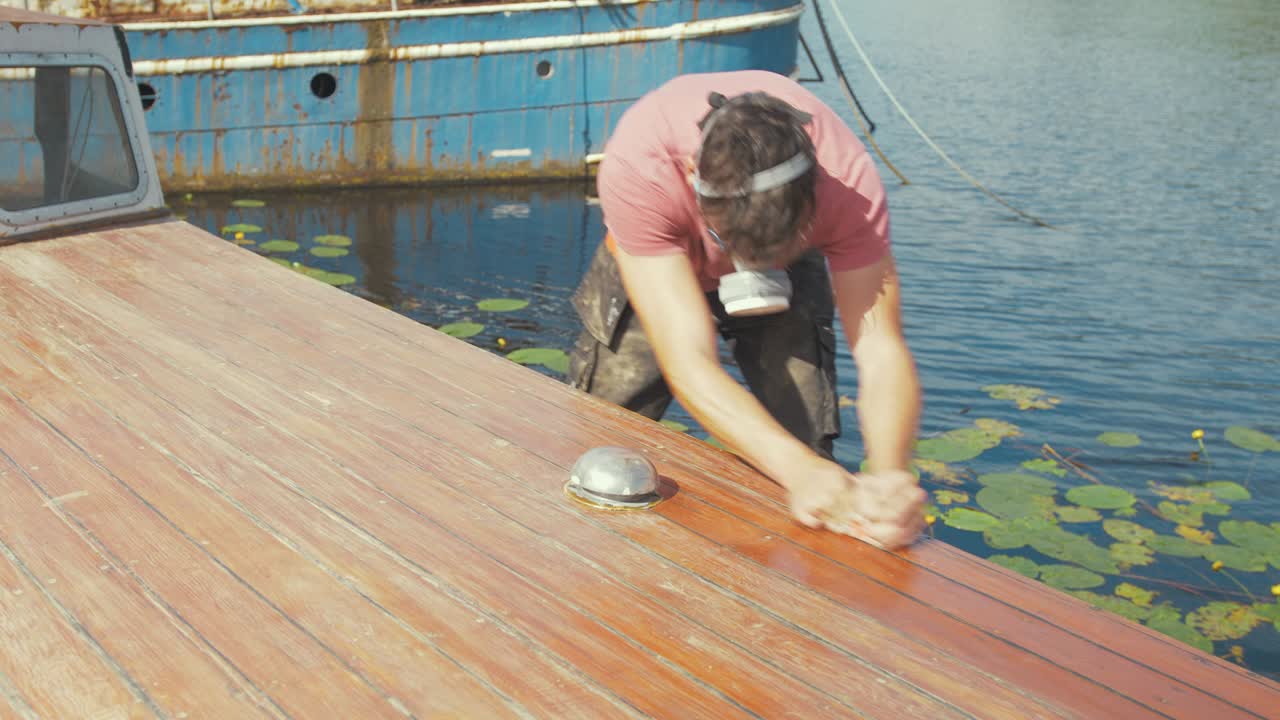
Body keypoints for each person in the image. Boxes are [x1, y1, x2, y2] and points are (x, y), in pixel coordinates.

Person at [568, 70, 925, 550]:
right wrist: (797, 470)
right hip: (662, 263)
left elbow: (881, 347)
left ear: (816, 189)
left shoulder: (849, 185)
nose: (745, 266)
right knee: (604, 437)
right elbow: (689, 363)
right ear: (694, 173)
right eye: (735, 241)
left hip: (792, 273)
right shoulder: (641, 165)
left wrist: (888, 479)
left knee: (806, 438)